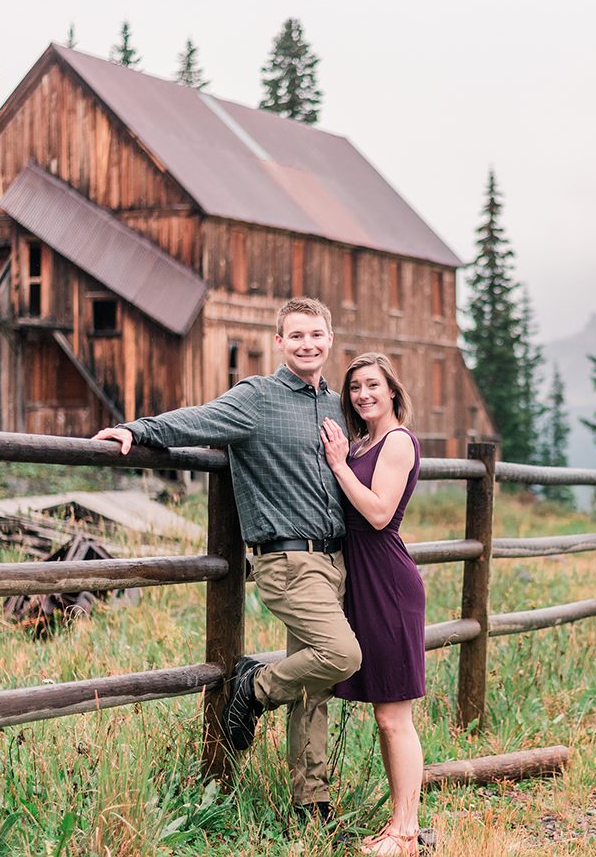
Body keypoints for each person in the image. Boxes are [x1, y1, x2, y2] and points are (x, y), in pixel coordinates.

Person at [91, 296, 359, 821]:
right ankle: (255, 686)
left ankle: (312, 803)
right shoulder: (256, 398)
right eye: (296, 336)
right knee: (341, 655)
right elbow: (198, 419)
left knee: (317, 687)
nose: (307, 344)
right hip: (285, 559)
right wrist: (137, 429)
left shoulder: (338, 405)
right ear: (279, 343)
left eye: (316, 334)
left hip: (334, 561)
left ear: (330, 339)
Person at [318, 353, 426, 857]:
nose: (363, 395)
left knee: (394, 715)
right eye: (355, 388)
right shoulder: (364, 442)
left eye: (372, 386)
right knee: (385, 713)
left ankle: (406, 831)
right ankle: (397, 824)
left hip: (388, 582)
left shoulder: (398, 442)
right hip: (364, 581)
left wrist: (339, 465)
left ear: (392, 391)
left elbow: (380, 513)